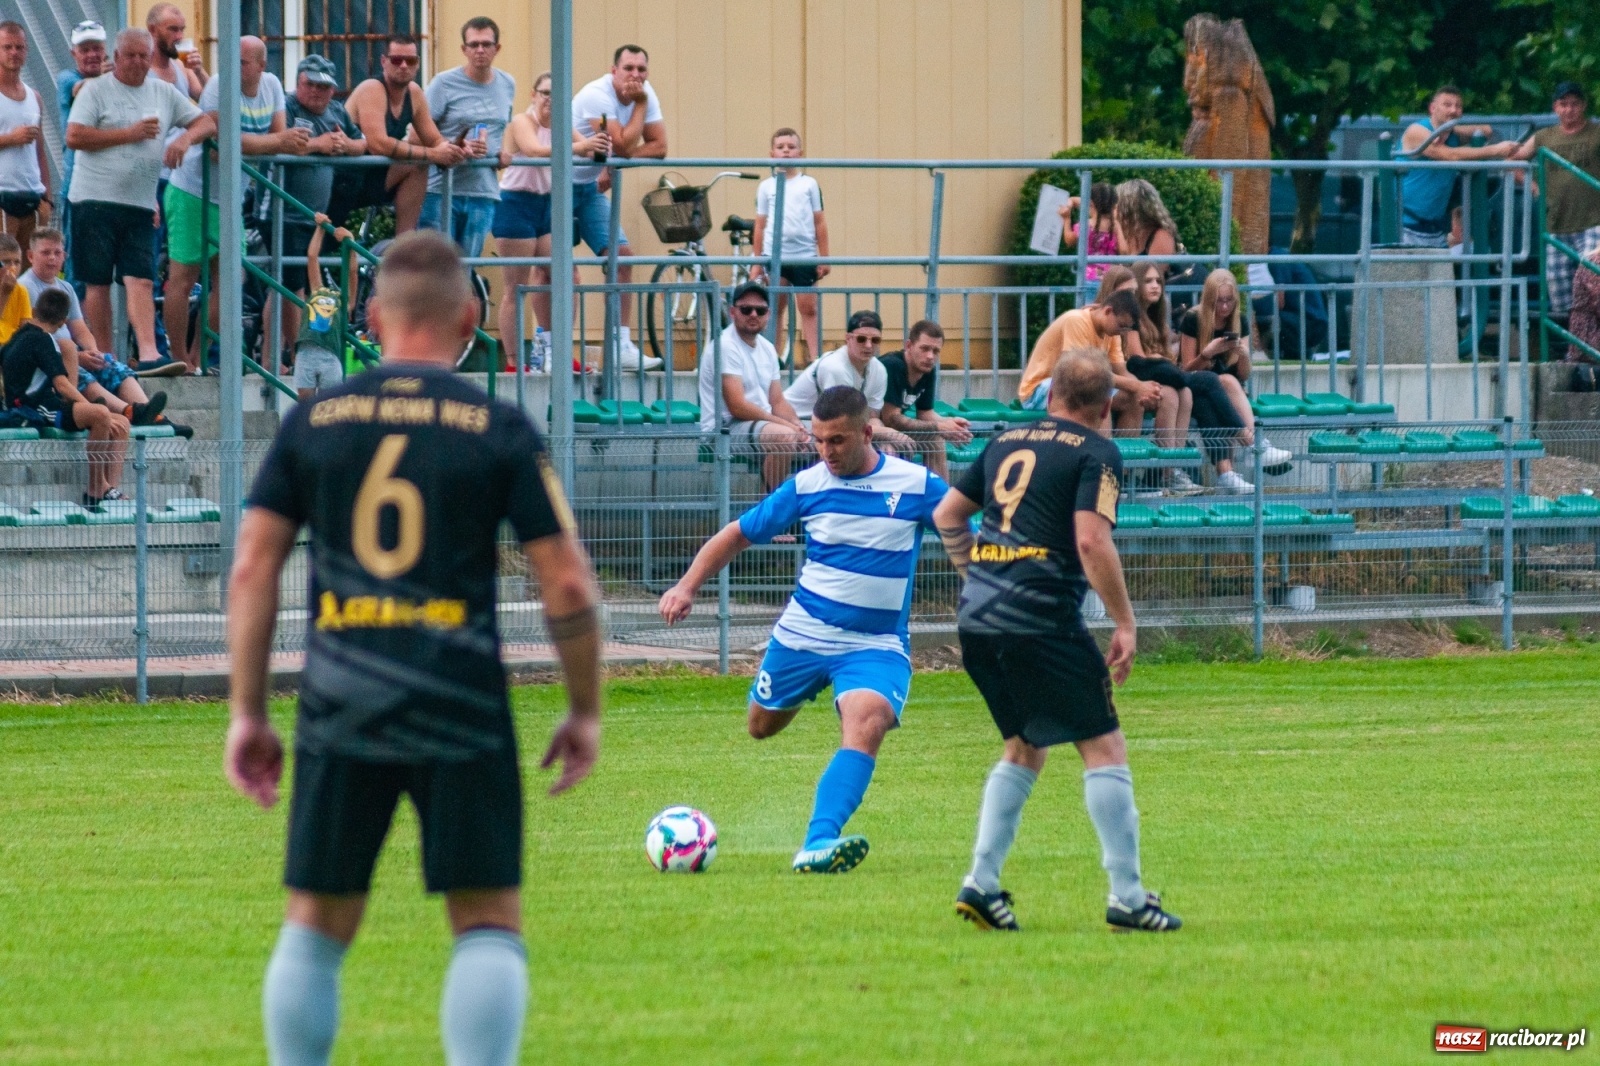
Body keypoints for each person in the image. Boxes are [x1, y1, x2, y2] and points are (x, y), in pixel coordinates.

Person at [224, 230, 603, 1066]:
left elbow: (252, 566)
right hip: (461, 697)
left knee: (318, 922)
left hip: (340, 697)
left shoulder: (314, 421)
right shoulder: (495, 426)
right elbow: (568, 583)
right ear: (470, 316)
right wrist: (584, 709)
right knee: (486, 921)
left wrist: (247, 713)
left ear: (371, 315)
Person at [933, 348, 1181, 934]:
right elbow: (1091, 542)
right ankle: (1128, 897)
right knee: (1104, 747)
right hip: (1041, 618)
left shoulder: (1002, 442)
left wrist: (981, 577)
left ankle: (982, 884)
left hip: (978, 621)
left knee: (1024, 747)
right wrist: (1125, 621)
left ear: (1049, 394)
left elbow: (947, 515)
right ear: (1105, 407)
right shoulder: (1098, 450)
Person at [660, 384, 949, 874]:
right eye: (818, 440)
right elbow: (737, 534)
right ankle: (812, 686)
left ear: (867, 431)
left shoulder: (917, 485)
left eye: (836, 440)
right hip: (803, 634)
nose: (825, 451)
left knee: (869, 720)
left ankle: (817, 843)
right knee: (760, 727)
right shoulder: (807, 485)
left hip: (873, 644)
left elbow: (971, 535)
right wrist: (686, 586)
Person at [65, 28, 215, 373]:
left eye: (142, 56)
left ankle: (149, 353)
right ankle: (105, 357)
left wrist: (183, 140)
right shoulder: (95, 90)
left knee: (141, 278)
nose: (136, 62)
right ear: (115, 58)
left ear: (151, 58)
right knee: (98, 283)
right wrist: (128, 134)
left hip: (141, 204)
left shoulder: (163, 92)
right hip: (93, 199)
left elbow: (205, 122)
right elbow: (74, 136)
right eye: (129, 55)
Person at [163, 36, 301, 374]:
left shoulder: (271, 86)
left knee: (231, 280)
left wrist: (273, 142)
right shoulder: (218, 88)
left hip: (230, 200)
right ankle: (178, 357)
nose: (234, 69)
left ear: (261, 65)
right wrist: (272, 142)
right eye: (231, 61)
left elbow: (279, 142)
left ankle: (197, 354)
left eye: (242, 63)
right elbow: (218, 148)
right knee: (183, 277)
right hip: (193, 190)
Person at [19, 227, 182, 436]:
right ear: (31, 256)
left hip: (72, 353)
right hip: (46, 362)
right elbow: (31, 339)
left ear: (64, 256)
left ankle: (157, 417)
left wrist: (93, 351)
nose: (52, 258)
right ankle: (130, 412)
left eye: (57, 253)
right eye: (46, 253)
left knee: (113, 366)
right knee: (83, 373)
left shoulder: (66, 288)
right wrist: (79, 357)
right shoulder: (24, 288)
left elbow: (79, 329)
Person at [571, 45, 668, 370]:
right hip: (555, 186)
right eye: (629, 68)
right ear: (614, 71)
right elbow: (625, 144)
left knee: (621, 258)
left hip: (589, 188)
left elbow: (660, 147)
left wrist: (614, 164)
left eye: (642, 69)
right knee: (554, 267)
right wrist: (640, 106)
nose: (636, 76)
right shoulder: (596, 95)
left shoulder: (644, 93)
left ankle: (620, 343)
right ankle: (551, 347)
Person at [495, 72, 606, 352]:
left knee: (568, 275)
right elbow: (533, 149)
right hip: (515, 205)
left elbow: (589, 150)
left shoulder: (563, 124)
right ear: (533, 95)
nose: (551, 101)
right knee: (516, 288)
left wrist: (602, 144)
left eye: (558, 96)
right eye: (545, 93)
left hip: (548, 205)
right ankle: (513, 360)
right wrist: (582, 146)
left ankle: (555, 350)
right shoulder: (522, 121)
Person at [1, 287, 136, 504]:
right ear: (64, 321)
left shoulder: (18, 336)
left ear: (35, 310)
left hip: (45, 405)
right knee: (102, 415)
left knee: (121, 422)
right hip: (36, 409)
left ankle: (110, 488)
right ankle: (96, 488)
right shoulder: (40, 340)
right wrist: (92, 408)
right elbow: (62, 385)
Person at [334, 35, 466, 236]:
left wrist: (454, 149)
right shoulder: (372, 89)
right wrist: (435, 155)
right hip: (343, 181)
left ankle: (405, 243)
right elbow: (378, 144)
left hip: (374, 177)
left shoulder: (414, 93)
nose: (404, 65)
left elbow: (434, 140)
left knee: (416, 165)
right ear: (383, 61)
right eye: (396, 60)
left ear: (418, 64)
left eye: (410, 61)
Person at [278, 55, 366, 354]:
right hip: (284, 209)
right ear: (298, 83)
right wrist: (319, 145)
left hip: (314, 214)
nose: (316, 91)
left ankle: (280, 357)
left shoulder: (337, 111)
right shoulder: (288, 106)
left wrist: (345, 146)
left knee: (297, 281)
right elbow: (279, 141)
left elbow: (362, 143)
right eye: (310, 84)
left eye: (323, 86)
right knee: (291, 285)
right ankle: (294, 353)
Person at [1178, 268, 1293, 490]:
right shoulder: (1194, 318)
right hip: (1192, 385)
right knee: (1226, 383)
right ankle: (1254, 444)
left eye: (1229, 301)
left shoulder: (1238, 320)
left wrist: (1243, 355)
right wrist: (1208, 354)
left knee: (1215, 399)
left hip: (1211, 395)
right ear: (1210, 298)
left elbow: (1243, 374)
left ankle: (1227, 474)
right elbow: (1185, 369)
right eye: (1219, 301)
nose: (1224, 307)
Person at [420, 18, 516, 260]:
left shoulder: (507, 84)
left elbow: (500, 127)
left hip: (483, 191)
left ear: (497, 48)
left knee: (465, 272)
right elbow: (419, 131)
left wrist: (501, 153)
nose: (480, 50)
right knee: (436, 270)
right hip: (441, 189)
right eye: (473, 45)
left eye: (486, 44)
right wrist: (455, 145)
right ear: (464, 49)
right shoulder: (444, 83)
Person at [697, 281, 807, 490]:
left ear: (769, 314)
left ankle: (814, 511)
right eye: (746, 309)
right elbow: (737, 406)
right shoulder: (725, 346)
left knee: (821, 436)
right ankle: (768, 513)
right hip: (723, 430)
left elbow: (777, 400)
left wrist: (797, 423)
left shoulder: (766, 347)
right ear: (732, 312)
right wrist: (787, 427)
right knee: (784, 437)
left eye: (760, 310)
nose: (754, 314)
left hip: (757, 425)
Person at [1018, 291, 1159, 440]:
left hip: (1070, 385)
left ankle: (1122, 458)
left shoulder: (1112, 332)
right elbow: (1076, 375)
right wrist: (1137, 386)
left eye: (1126, 329)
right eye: (1121, 326)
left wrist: (1146, 390)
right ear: (1108, 311)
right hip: (1038, 389)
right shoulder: (1076, 320)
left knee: (1134, 398)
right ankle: (1101, 456)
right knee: (1097, 393)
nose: (1123, 332)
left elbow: (1122, 372)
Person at [1511, 82, 1600, 318]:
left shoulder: (1596, 133)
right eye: (1564, 104)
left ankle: (1592, 346)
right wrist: (1530, 184)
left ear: (1583, 106)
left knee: (1594, 284)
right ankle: (1570, 349)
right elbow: (1513, 159)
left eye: (1574, 104)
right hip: (1555, 224)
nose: (1569, 109)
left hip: (1593, 222)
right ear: (1555, 107)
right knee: (1559, 291)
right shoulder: (1544, 136)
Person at [782, 309, 917, 458]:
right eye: (861, 339)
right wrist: (888, 432)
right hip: (798, 423)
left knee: (888, 450)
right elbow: (842, 421)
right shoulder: (835, 367)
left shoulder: (879, 370)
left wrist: (884, 439)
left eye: (875, 340)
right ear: (848, 339)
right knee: (844, 442)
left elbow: (871, 416)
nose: (868, 345)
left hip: (830, 425)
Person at [1398, 86, 1517, 248]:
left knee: (1441, 272)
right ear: (1432, 108)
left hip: (1435, 229)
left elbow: (1487, 130)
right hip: (1406, 227)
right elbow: (1450, 156)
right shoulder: (1417, 131)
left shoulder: (1452, 135)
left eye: (1458, 106)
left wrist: (1450, 128)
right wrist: (1496, 150)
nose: (1453, 110)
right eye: (1447, 105)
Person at [753, 128, 829, 365]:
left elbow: (820, 221)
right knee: (776, 306)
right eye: (781, 147)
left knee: (808, 307)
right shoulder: (766, 186)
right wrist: (757, 262)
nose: (786, 151)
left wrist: (824, 256)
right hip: (775, 257)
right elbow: (759, 226)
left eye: (791, 147)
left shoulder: (809, 184)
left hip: (804, 255)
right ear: (772, 153)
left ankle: (815, 357)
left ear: (800, 153)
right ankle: (773, 358)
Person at [878, 319, 973, 479]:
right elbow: (890, 419)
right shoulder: (892, 366)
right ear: (909, 346)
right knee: (892, 448)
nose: (930, 356)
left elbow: (925, 413)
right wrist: (939, 427)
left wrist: (950, 425)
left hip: (892, 427)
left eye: (936, 351)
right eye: (924, 349)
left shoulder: (927, 369)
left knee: (935, 440)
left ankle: (942, 500)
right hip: (871, 427)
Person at [0, 23, 51, 263]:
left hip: (32, 197)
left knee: (28, 274)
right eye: (7, 47)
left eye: (19, 47)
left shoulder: (35, 97)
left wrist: (47, 198)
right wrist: (11, 138)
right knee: (4, 274)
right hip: (3, 196)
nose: (13, 52)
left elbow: (40, 151)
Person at [55, 21, 109, 246]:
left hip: (107, 179)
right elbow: (80, 89)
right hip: (76, 180)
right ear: (73, 53)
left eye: (97, 48)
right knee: (74, 252)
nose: (92, 55)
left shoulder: (112, 78)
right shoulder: (68, 78)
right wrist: (107, 79)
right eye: (85, 50)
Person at [291, 215, 355, 400]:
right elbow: (312, 257)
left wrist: (350, 244)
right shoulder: (318, 291)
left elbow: (351, 272)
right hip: (306, 351)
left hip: (330, 355)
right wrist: (320, 227)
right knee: (305, 403)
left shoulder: (345, 302)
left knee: (329, 405)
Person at [1058, 182, 1118, 282]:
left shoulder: (1085, 225)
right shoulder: (1115, 225)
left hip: (1089, 277)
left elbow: (1069, 240)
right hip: (1110, 277)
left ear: (1090, 203)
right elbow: (1124, 249)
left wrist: (1066, 219)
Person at [145, 3, 205, 101]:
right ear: (152, 29)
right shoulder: (141, 69)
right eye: (173, 29)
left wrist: (199, 72)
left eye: (182, 30)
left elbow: (210, 101)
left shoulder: (182, 66)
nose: (180, 37)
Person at [0, 232, 27, 343]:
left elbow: (24, 328)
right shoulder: (8, 289)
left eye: (17, 262)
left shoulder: (20, 290)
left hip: (12, 347)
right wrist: (5, 293)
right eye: (6, 262)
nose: (13, 268)